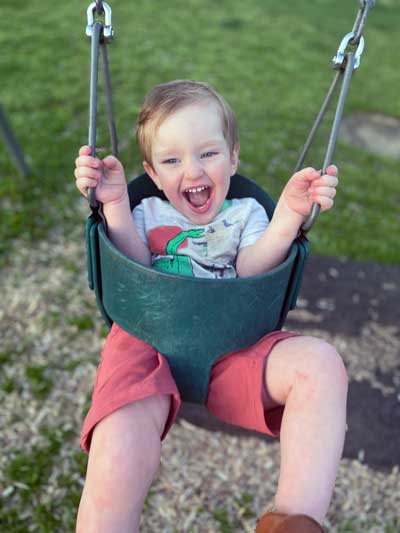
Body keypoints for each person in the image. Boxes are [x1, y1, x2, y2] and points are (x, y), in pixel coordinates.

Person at [74, 80, 347, 533]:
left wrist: (288, 218)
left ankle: (292, 520)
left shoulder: (245, 214)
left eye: (208, 153)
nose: (193, 171)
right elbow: (134, 266)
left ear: (233, 157)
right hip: (146, 341)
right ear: (153, 173)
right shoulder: (146, 213)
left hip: (233, 344)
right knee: (118, 443)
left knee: (321, 365)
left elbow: (251, 268)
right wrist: (116, 204)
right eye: (172, 160)